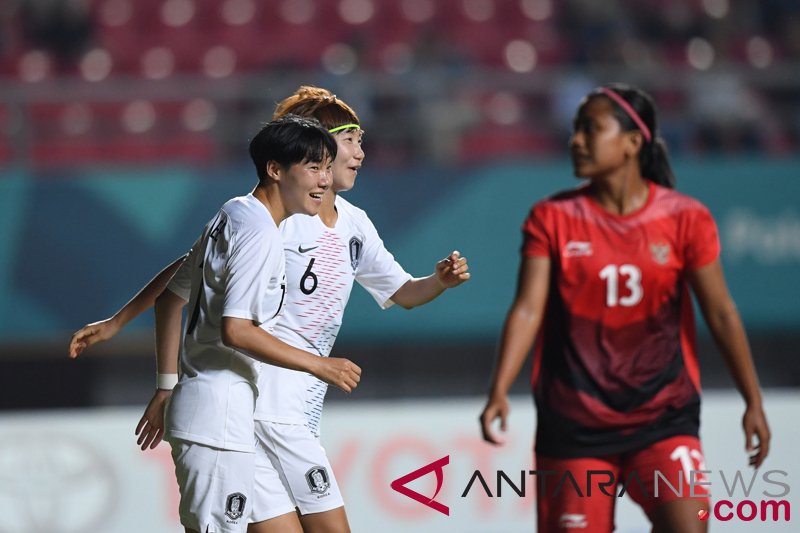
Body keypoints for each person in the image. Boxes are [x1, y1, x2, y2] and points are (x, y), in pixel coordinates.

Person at [69, 86, 470, 533]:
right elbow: (196, 283)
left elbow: (403, 292)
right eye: (350, 139)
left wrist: (439, 282)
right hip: (263, 406)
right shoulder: (276, 220)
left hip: (282, 408)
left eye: (362, 139)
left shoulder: (349, 222)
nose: (360, 151)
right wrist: (124, 328)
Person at [479, 84, 770, 533]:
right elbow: (527, 310)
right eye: (576, 129)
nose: (575, 139)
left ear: (633, 142)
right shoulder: (551, 217)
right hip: (574, 425)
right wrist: (499, 389)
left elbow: (722, 314)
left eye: (590, 129)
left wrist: (752, 400)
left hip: (664, 417)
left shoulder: (685, 218)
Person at [144, 114, 360, 533]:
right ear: (275, 170)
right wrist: (319, 364)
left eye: (326, 167)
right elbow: (236, 330)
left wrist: (166, 384)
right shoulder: (261, 233)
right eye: (313, 168)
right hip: (218, 418)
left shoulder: (234, 213)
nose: (323, 180)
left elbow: (170, 298)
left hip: (219, 413)